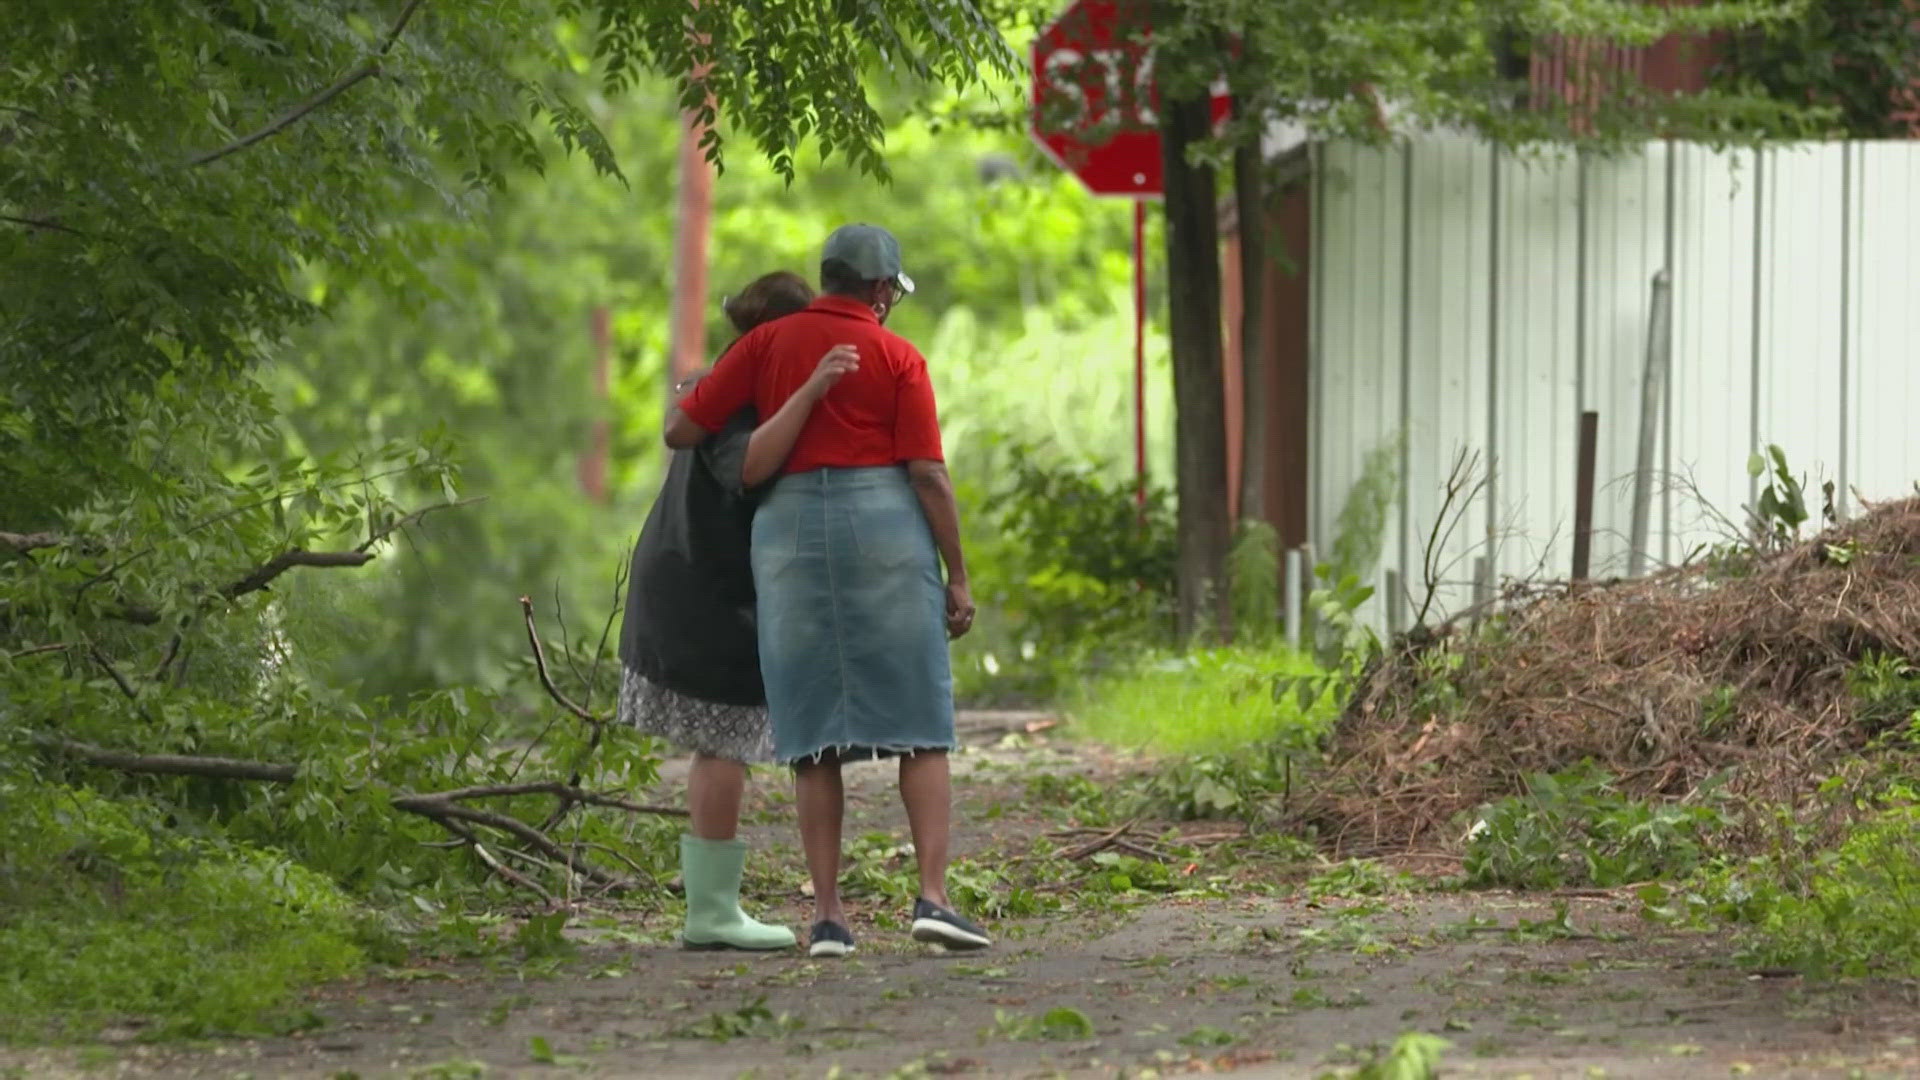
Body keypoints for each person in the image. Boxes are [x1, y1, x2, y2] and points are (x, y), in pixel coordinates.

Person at [666, 224, 990, 959]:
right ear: (880, 290)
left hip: (787, 539)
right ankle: (933, 899)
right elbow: (929, 475)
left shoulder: (763, 345)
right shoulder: (898, 355)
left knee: (813, 736)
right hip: (883, 529)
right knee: (921, 723)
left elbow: (684, 429)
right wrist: (958, 574)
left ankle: (830, 919)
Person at [618, 270, 858, 952]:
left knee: (724, 740)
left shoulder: (730, 386)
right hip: (705, 594)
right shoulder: (741, 399)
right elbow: (749, 466)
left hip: (700, 584)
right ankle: (712, 911)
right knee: (724, 738)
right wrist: (813, 391)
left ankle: (713, 905)